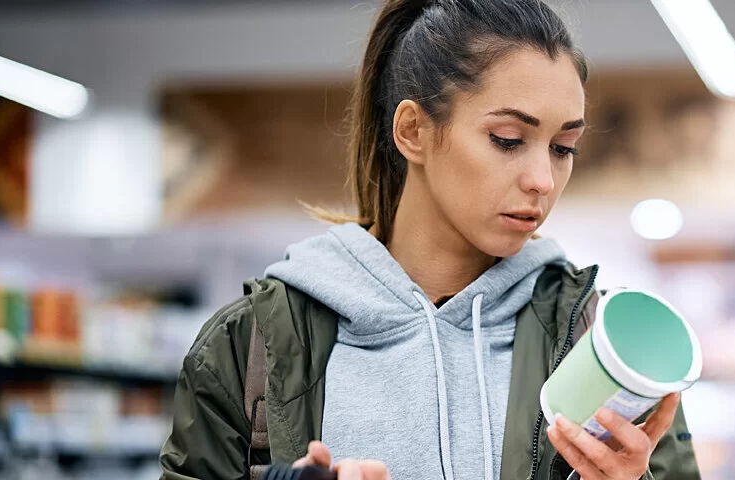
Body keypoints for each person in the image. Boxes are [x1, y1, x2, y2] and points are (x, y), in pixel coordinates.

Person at [157, 0, 700, 479]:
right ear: (413, 131)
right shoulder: (248, 346)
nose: (543, 179)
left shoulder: (599, 346)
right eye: (508, 140)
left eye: (564, 148)